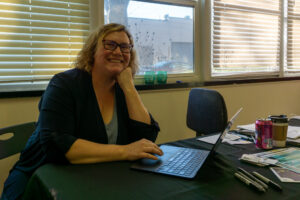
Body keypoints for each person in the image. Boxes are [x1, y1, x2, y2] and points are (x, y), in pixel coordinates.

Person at [1, 23, 162, 200]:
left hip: (93, 178)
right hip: (40, 177)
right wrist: (125, 151)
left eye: (125, 47)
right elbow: (57, 144)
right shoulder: (63, 84)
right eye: (110, 44)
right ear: (92, 50)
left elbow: (147, 137)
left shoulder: (123, 90)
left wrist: (129, 86)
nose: (118, 52)